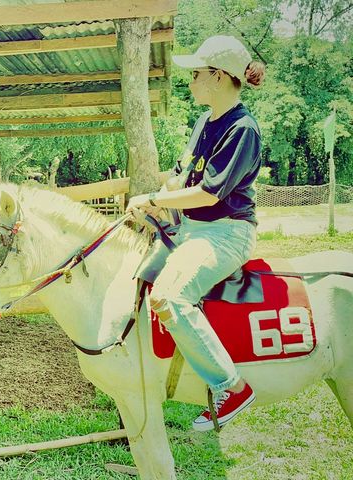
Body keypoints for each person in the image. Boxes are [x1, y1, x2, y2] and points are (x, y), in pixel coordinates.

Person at [126, 35, 265, 432]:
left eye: (197, 74)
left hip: (225, 233)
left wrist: (152, 196)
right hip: (192, 227)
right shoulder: (205, 122)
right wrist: (154, 200)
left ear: (219, 77)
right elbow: (182, 176)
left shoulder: (243, 129)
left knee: (170, 294)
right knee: (134, 275)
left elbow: (207, 194)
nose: (191, 81)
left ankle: (232, 386)